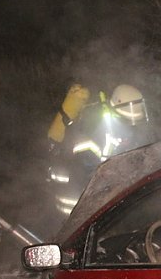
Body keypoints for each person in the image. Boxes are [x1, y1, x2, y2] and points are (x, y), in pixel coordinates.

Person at [46, 83, 150, 221]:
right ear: (116, 113)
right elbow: (84, 170)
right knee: (72, 232)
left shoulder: (124, 129)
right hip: (74, 194)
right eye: (127, 121)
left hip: (94, 191)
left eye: (135, 122)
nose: (132, 126)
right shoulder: (93, 128)